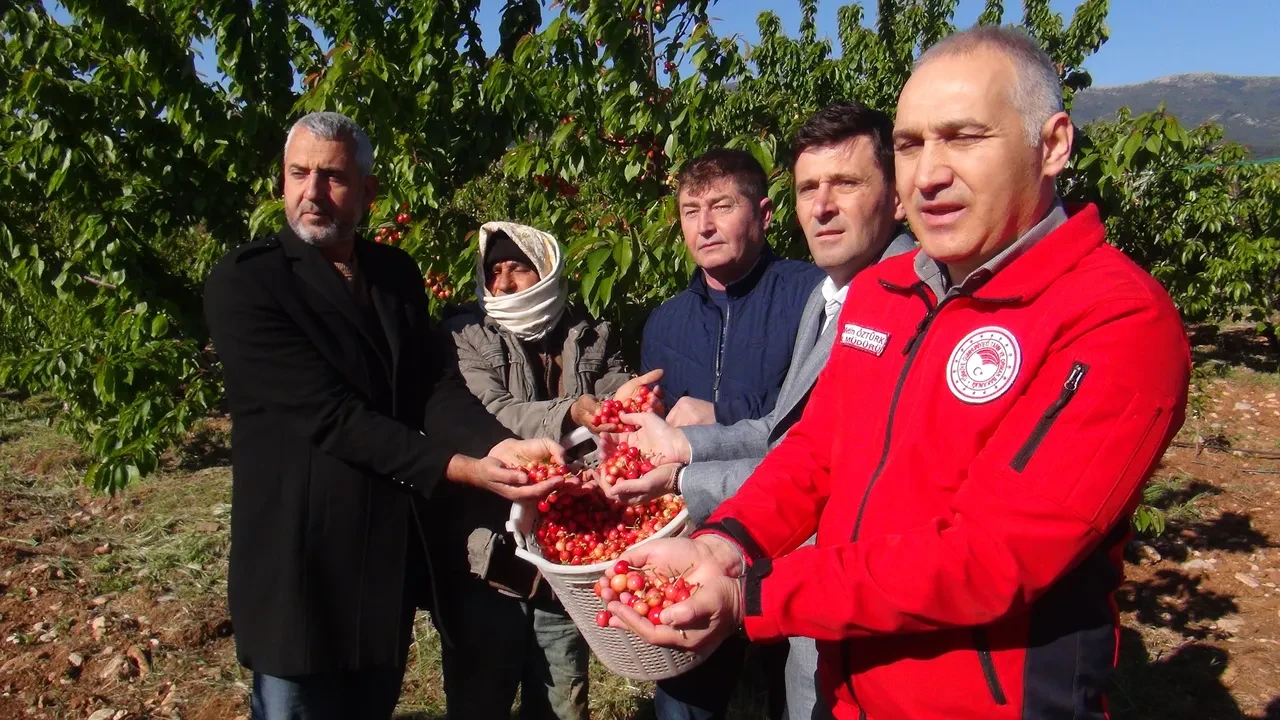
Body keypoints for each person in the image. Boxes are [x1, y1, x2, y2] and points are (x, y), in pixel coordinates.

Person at [605, 27, 1191, 720]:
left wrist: (755, 596)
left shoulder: (1116, 320)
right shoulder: (884, 293)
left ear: (1054, 144)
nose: (929, 173)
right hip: (844, 686)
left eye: (964, 137)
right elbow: (817, 452)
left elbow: (994, 556)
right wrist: (727, 541)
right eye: (911, 145)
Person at [203, 111, 563, 720]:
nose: (313, 192)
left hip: (381, 566)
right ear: (282, 182)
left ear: (367, 192)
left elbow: (435, 386)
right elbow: (330, 416)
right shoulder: (248, 285)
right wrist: (457, 467)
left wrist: (493, 444)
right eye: (299, 174)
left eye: (333, 177)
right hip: (302, 564)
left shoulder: (392, 276)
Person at [600, 101, 914, 720]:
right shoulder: (829, 297)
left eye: (846, 183)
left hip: (838, 585)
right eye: (809, 188)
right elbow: (795, 438)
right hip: (746, 540)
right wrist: (677, 451)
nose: (822, 205)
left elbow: (828, 460)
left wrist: (686, 472)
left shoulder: (860, 297)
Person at [441, 221, 660, 720]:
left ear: (546, 270)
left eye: (517, 268)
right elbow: (491, 410)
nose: (503, 284)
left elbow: (612, 390)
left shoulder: (589, 331)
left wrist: (629, 400)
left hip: (567, 549)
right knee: (480, 696)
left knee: (563, 694)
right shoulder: (464, 334)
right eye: (493, 271)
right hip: (489, 554)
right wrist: (574, 410)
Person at [641, 149, 825, 429]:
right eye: (691, 212)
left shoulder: (813, 297)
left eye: (721, 207)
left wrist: (722, 415)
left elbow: (829, 401)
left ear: (764, 214)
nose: (704, 227)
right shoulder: (663, 324)